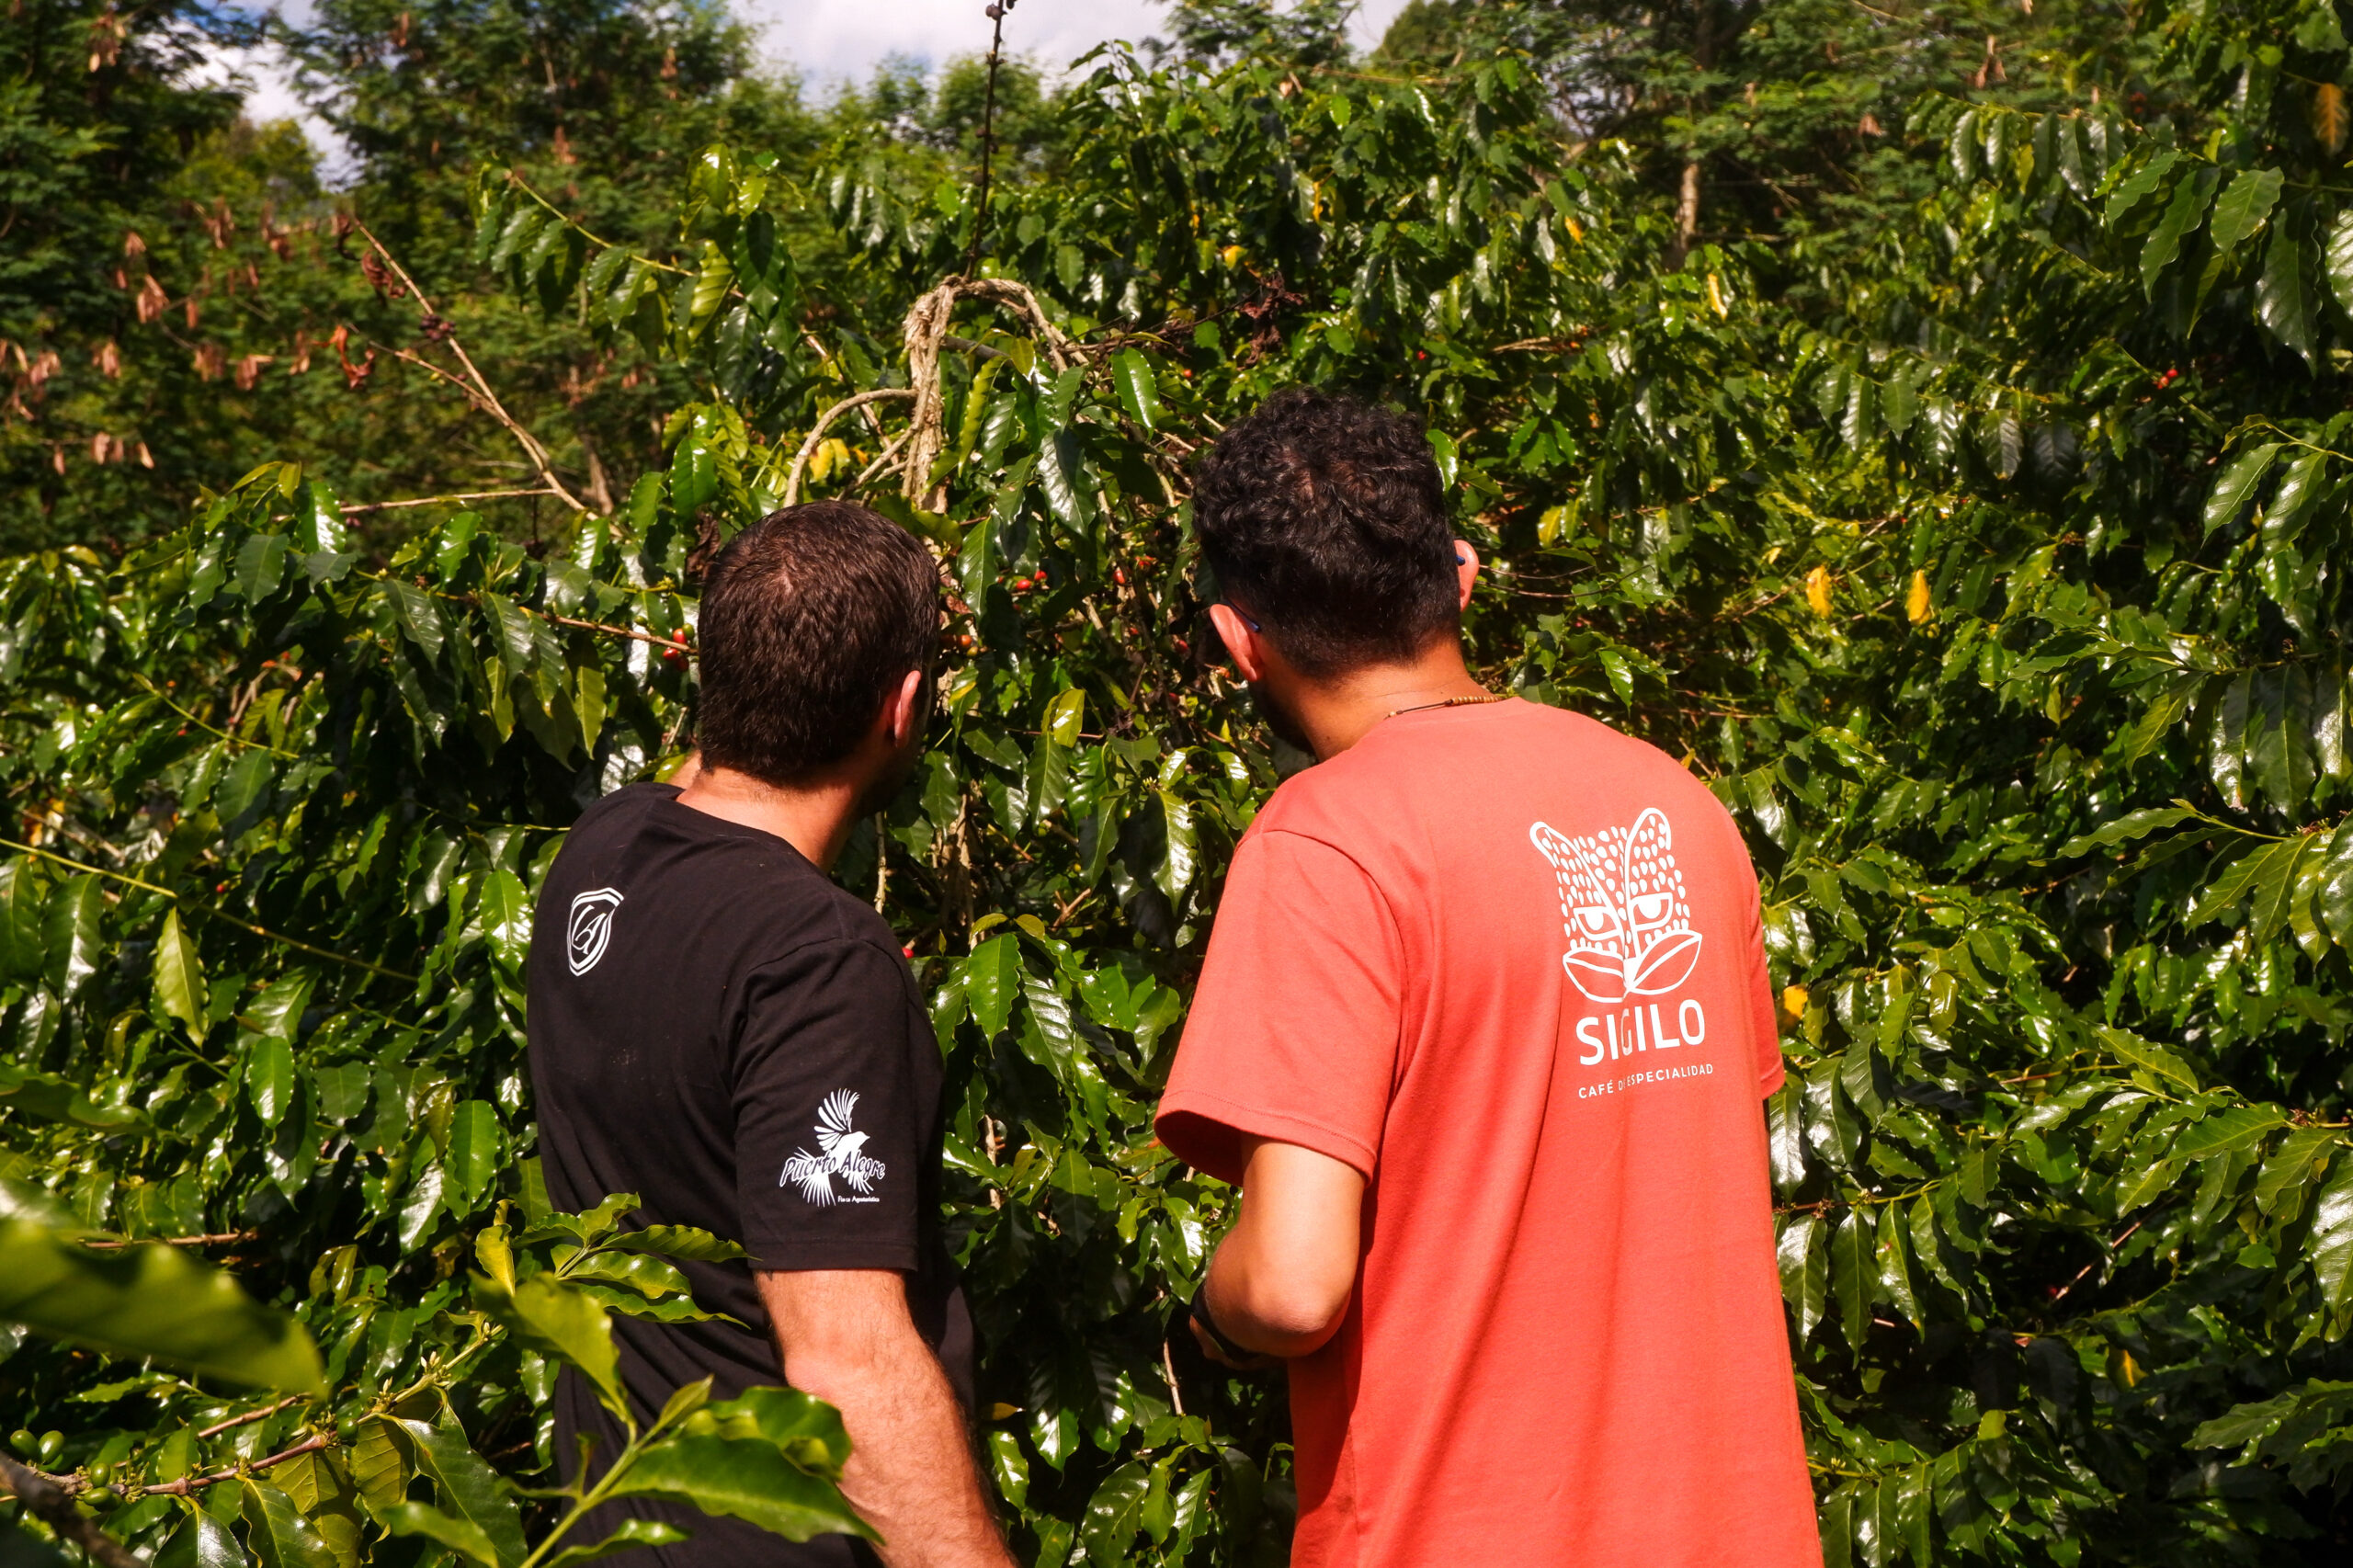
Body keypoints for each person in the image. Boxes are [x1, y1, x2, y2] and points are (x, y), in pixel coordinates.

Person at [1154, 391, 1820, 1567]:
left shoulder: (1326, 843)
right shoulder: (1674, 804)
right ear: (1460, 577)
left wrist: (1208, 1315)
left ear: (1236, 640)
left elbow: (1295, 1282)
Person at [527, 500, 1014, 1568]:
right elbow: (843, 1358)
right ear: (903, 706)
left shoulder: (601, 846)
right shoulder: (815, 958)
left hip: (609, 1532)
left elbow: (694, 779)